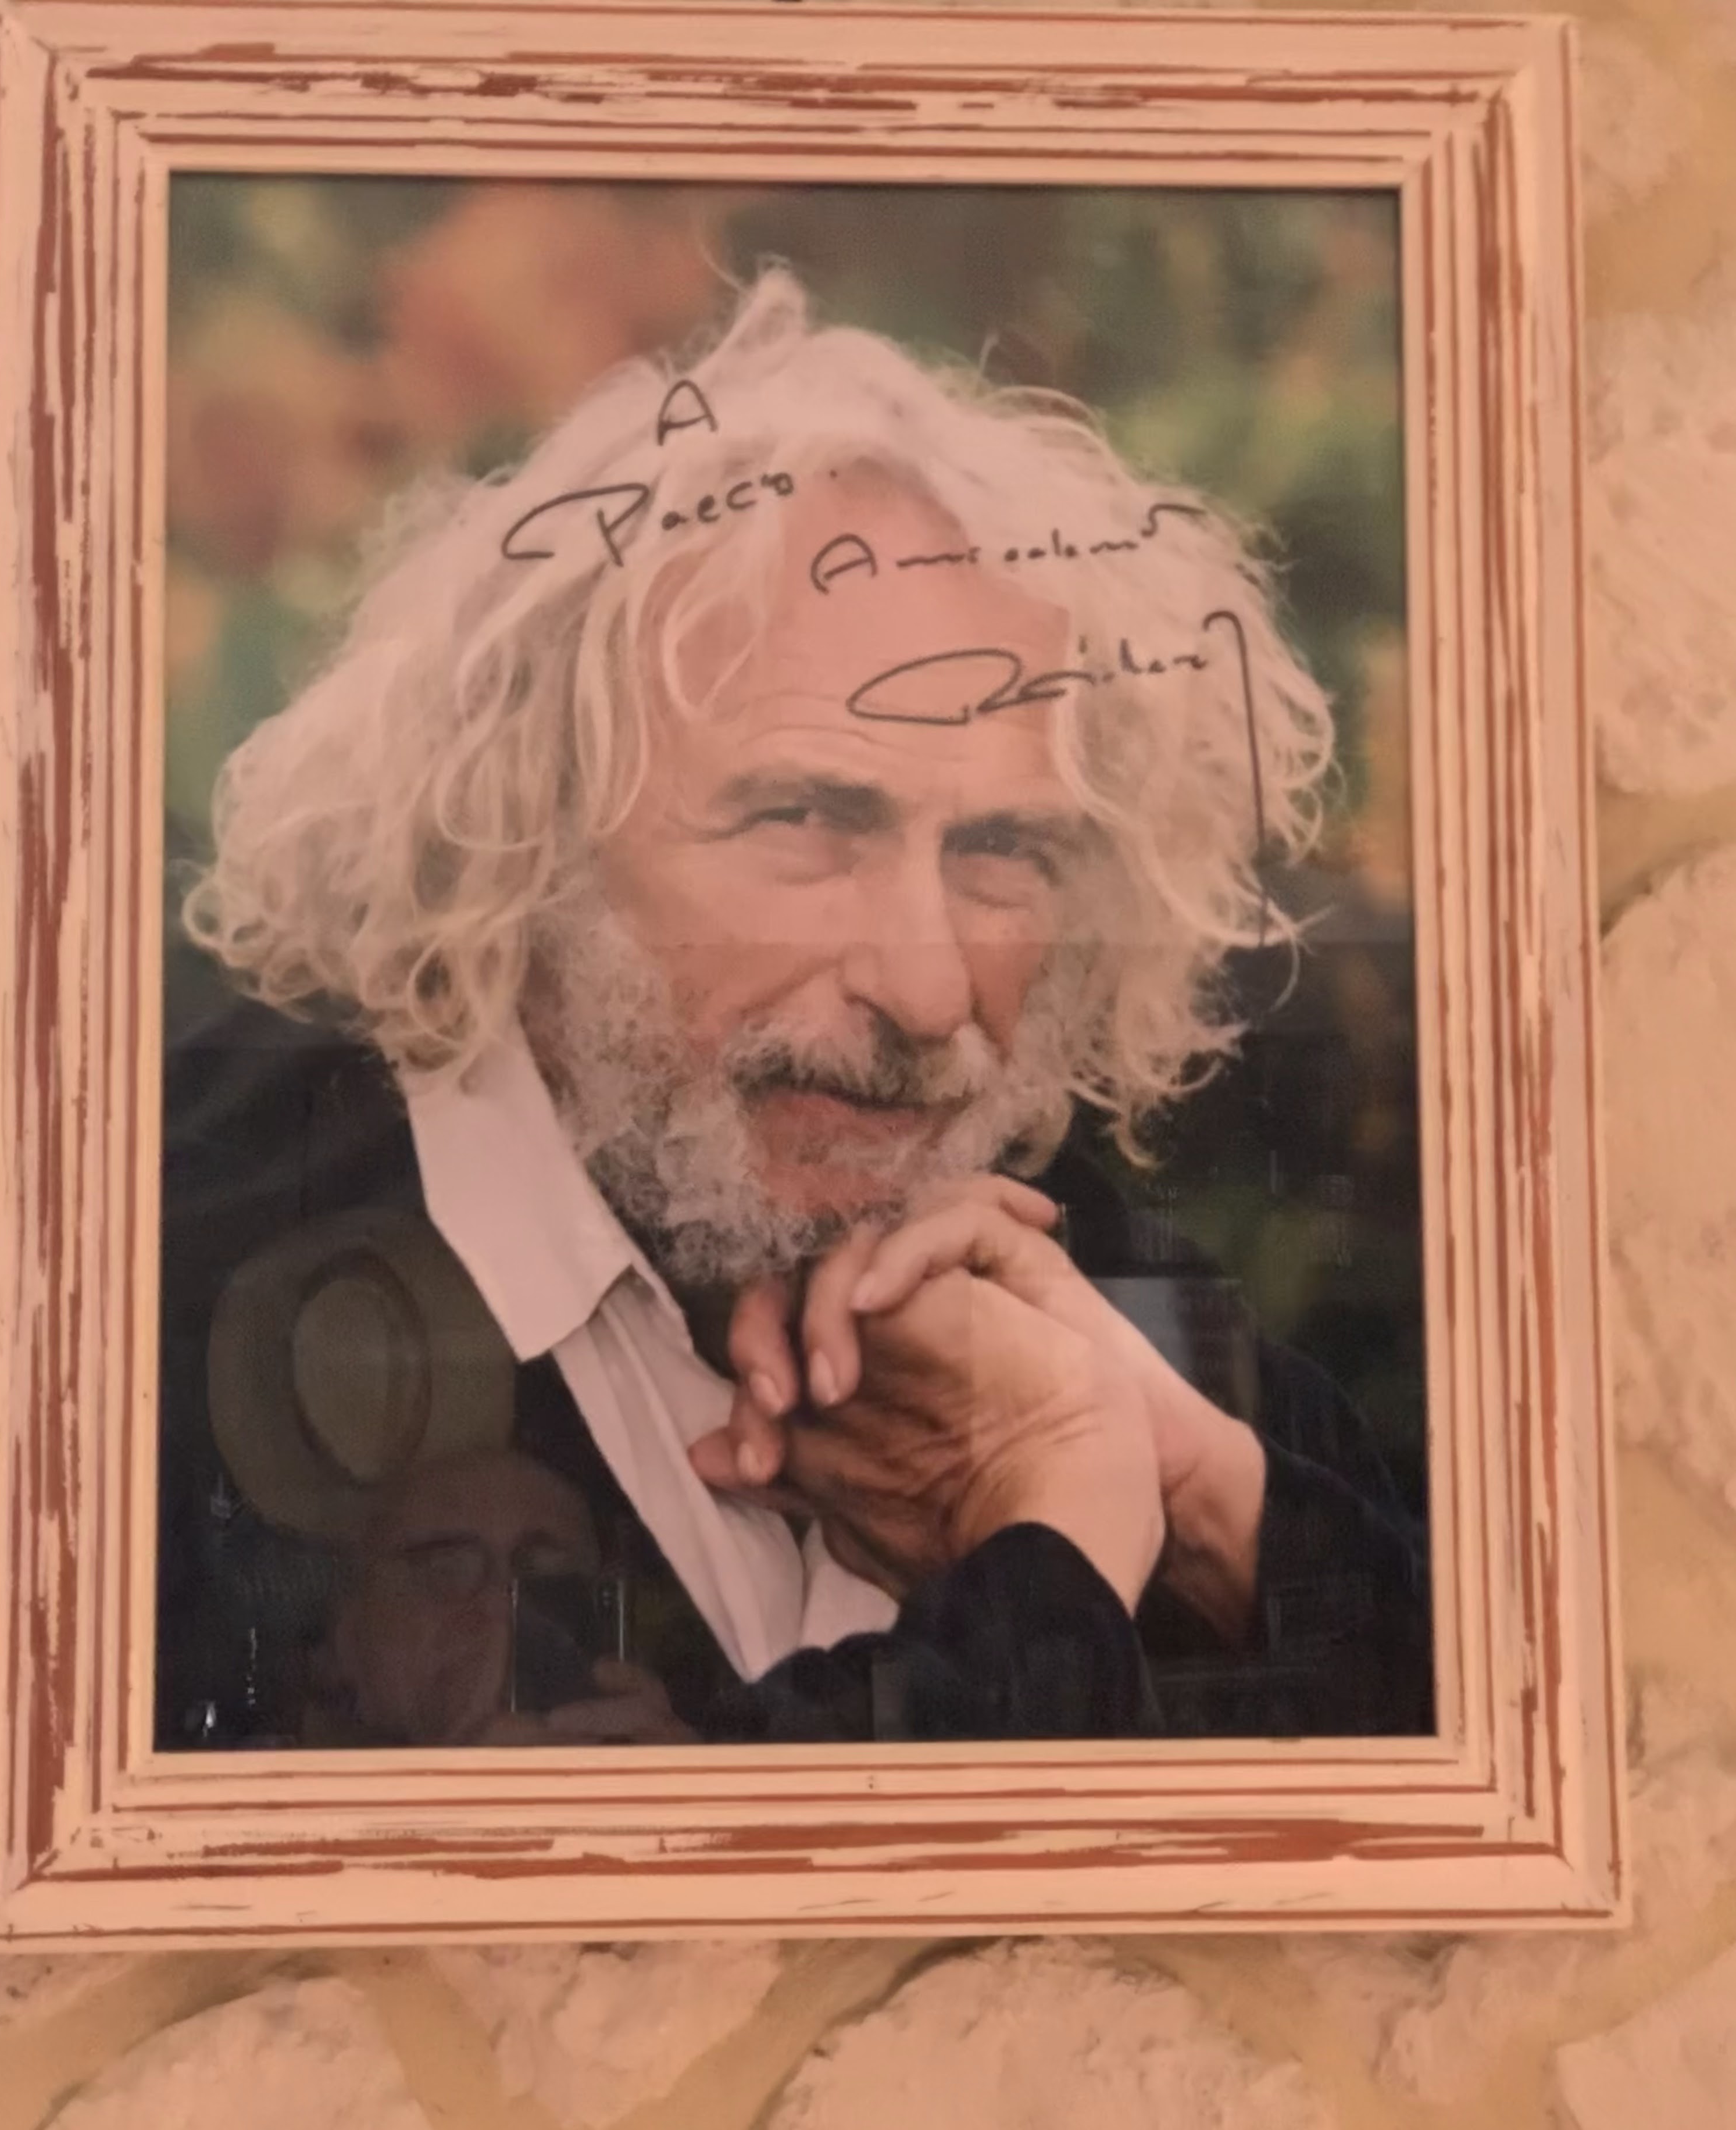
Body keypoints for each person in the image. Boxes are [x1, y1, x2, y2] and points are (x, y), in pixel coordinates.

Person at [157, 268, 1433, 1749]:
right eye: (811, 822)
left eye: (1003, 852)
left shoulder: (1085, 1260)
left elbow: (1496, 1771)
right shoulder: (173, 1269)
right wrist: (1055, 1563)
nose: (929, 991)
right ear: (528, 835)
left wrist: (1204, 1502)